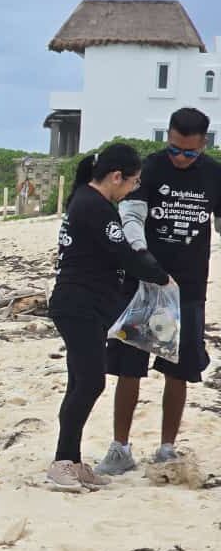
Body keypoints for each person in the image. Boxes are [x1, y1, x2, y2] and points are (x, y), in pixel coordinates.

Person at [96, 108, 221, 475]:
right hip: (142, 285)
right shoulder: (149, 168)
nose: (181, 159)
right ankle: (120, 447)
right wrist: (144, 259)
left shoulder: (214, 174)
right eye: (175, 149)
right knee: (128, 367)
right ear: (167, 138)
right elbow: (131, 217)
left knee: (178, 372)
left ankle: (167, 447)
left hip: (188, 290)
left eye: (190, 153)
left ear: (203, 145)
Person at [47, 143, 171, 492]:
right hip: (77, 305)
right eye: (133, 182)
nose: (133, 189)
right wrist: (161, 276)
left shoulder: (89, 201)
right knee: (90, 382)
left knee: (80, 381)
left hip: (86, 305)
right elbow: (125, 255)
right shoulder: (93, 205)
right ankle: (61, 462)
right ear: (117, 177)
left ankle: (71, 460)